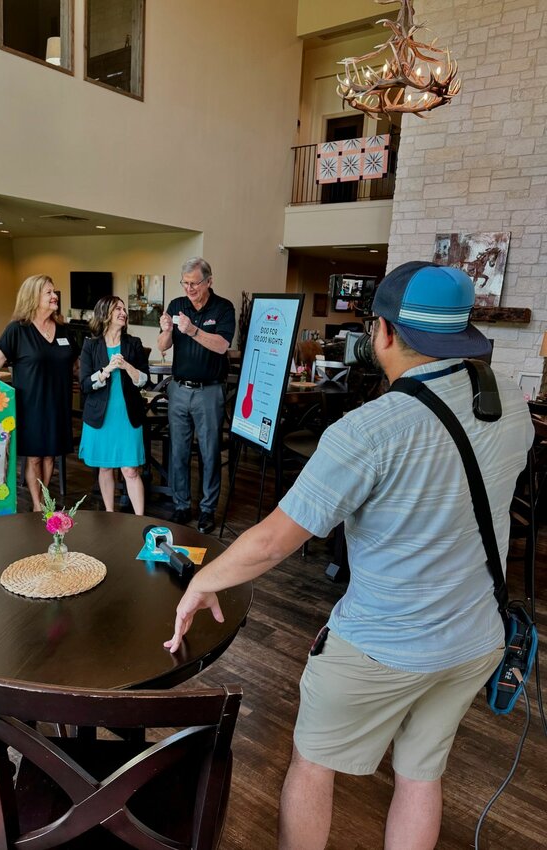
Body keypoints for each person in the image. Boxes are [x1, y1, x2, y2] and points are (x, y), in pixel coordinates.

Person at [163, 261, 533, 850]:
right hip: (474, 639)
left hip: (382, 645)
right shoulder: (509, 405)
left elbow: (273, 541)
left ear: (382, 333)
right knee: (420, 774)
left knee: (313, 764)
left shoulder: (370, 429)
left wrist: (202, 580)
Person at [0, 274, 79, 511]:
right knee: (34, 456)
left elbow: (76, 364)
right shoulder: (17, 331)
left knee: (51, 455)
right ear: (33, 297)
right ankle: (37, 505)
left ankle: (45, 498)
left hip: (57, 404)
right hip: (30, 405)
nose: (55, 297)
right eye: (49, 293)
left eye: (54, 292)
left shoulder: (64, 331)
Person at [158, 257, 235, 534]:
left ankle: (206, 510)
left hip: (209, 391)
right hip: (178, 389)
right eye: (186, 283)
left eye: (195, 283)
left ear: (209, 281)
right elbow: (163, 346)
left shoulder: (223, 308)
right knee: (178, 451)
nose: (189, 288)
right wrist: (167, 331)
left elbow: (222, 345)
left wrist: (192, 330)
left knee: (209, 452)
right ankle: (181, 505)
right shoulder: (177, 305)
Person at [79, 296, 149, 515]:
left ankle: (139, 520)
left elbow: (144, 380)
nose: (123, 312)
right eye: (117, 308)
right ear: (105, 314)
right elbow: (84, 384)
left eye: (124, 309)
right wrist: (106, 370)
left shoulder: (134, 343)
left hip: (128, 416)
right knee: (105, 466)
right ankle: (110, 515)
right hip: (101, 417)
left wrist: (126, 365)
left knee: (130, 470)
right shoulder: (90, 345)